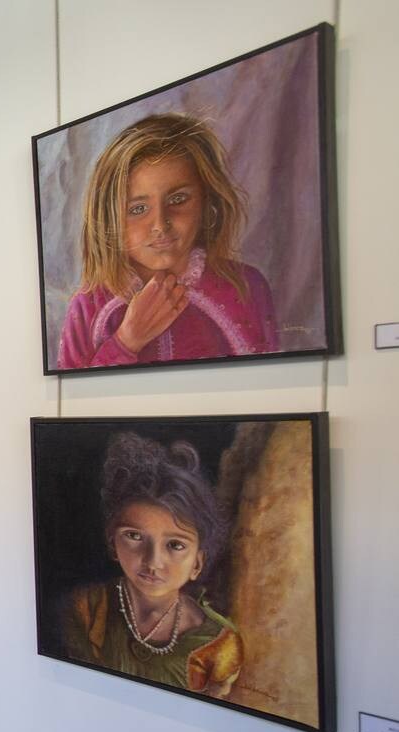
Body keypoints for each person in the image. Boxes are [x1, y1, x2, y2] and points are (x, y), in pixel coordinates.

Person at [57, 113, 279, 369]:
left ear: (207, 202)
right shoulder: (89, 305)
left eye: (178, 200)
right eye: (138, 209)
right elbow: (76, 397)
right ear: (108, 218)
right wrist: (126, 341)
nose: (160, 225)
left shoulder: (246, 286)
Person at [62, 432, 244, 696]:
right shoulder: (87, 609)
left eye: (175, 545)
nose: (153, 562)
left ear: (197, 562)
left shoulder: (219, 645)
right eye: (134, 536)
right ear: (114, 544)